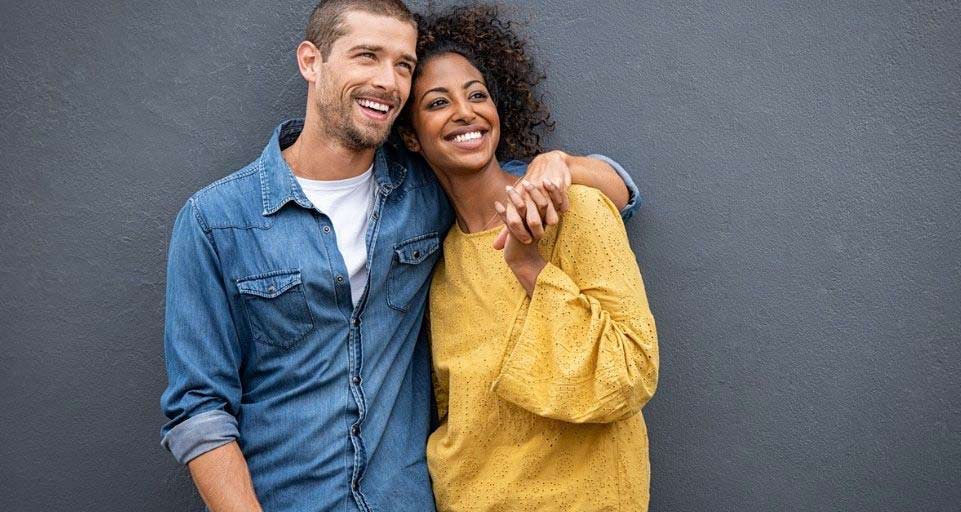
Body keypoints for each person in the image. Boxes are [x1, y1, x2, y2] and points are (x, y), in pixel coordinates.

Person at [158, 1, 640, 511]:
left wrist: (560, 163)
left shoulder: (426, 191)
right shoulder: (217, 220)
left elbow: (609, 190)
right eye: (367, 56)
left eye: (403, 65)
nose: (387, 81)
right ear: (310, 61)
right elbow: (199, 409)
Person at [398, 5, 658, 512]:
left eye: (477, 94)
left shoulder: (575, 208)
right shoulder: (441, 266)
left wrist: (528, 267)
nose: (465, 112)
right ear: (411, 135)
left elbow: (631, 372)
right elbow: (459, 416)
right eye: (437, 103)